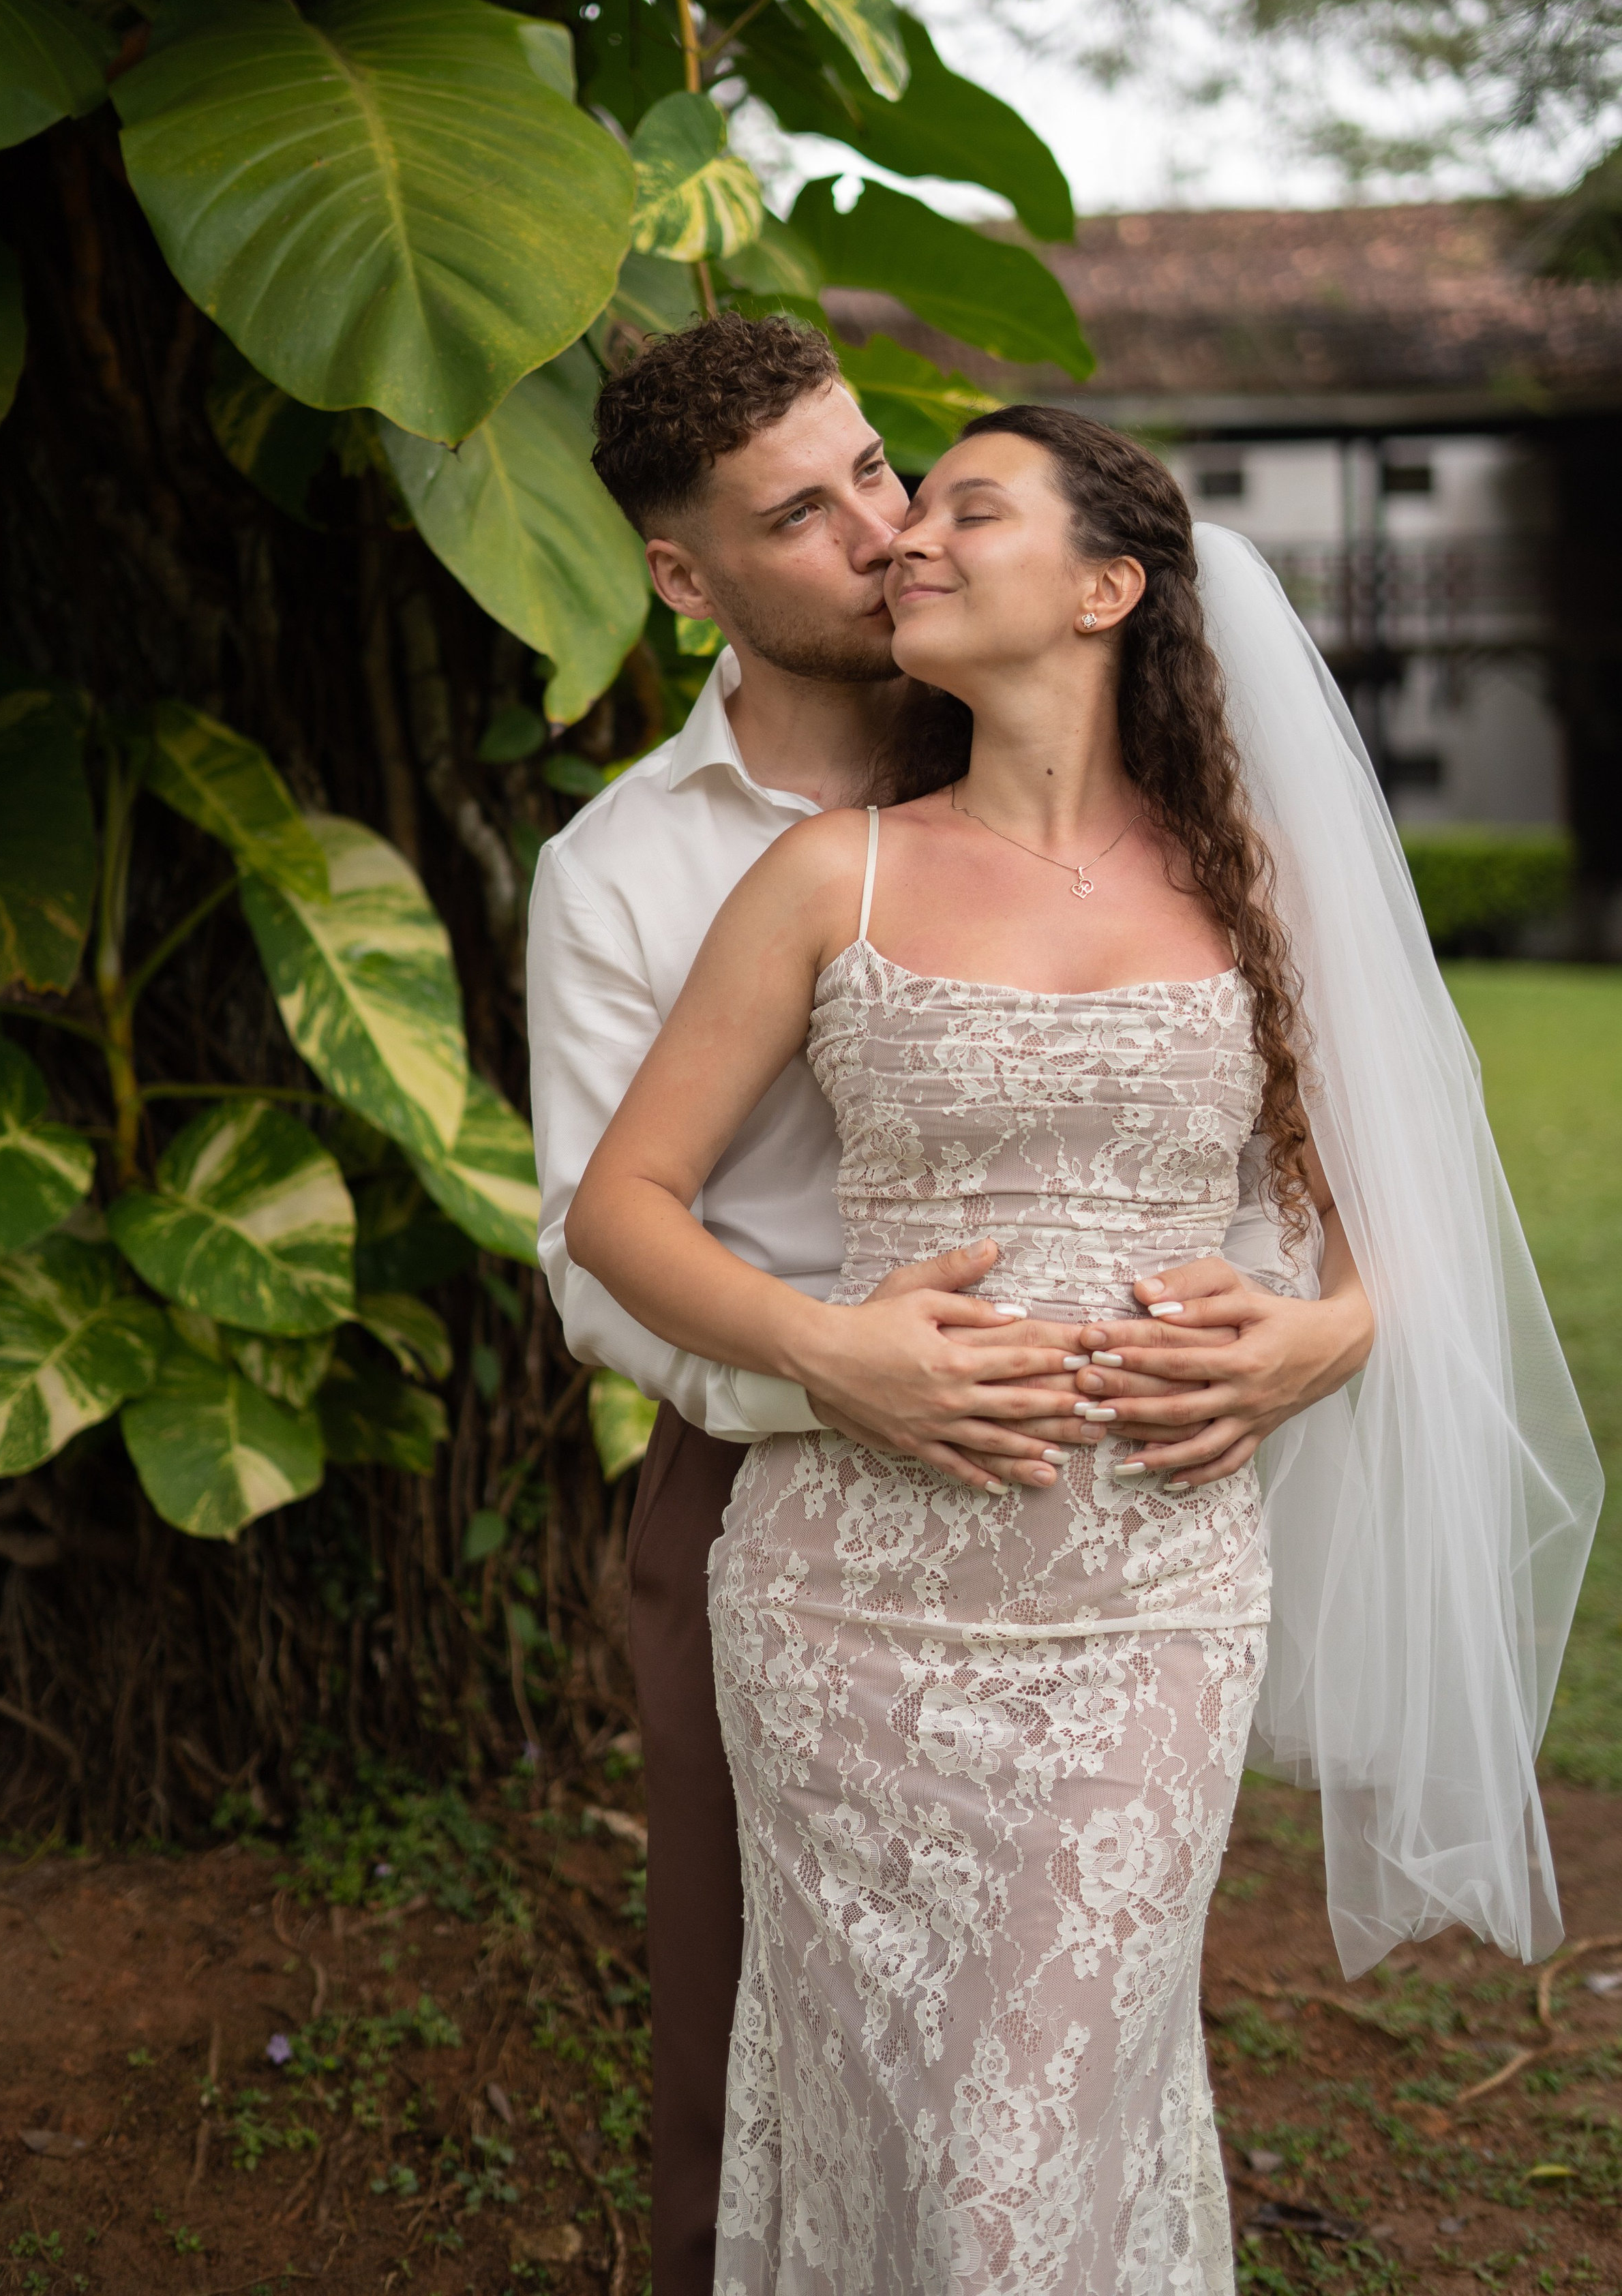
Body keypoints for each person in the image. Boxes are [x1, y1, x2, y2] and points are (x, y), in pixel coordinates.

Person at [565, 398, 1600, 2294]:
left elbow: (1400, 1222)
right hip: (843, 1609)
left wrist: (1325, 1335)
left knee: (1038, 2122)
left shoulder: (1253, 887)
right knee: (888, 2109)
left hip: (1148, 1611)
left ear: (1110, 586)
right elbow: (620, 1206)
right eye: (908, 510)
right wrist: (834, 1351)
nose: (911, 543)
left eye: (971, 512)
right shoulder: (828, 880)